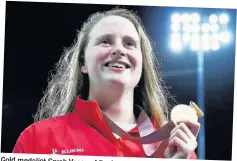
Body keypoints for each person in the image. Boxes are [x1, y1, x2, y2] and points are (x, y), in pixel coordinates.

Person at [12, 8, 200, 159]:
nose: (119, 49)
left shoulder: (175, 147)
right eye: (105, 41)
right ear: (83, 63)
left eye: (129, 44)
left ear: (142, 66)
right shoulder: (37, 138)